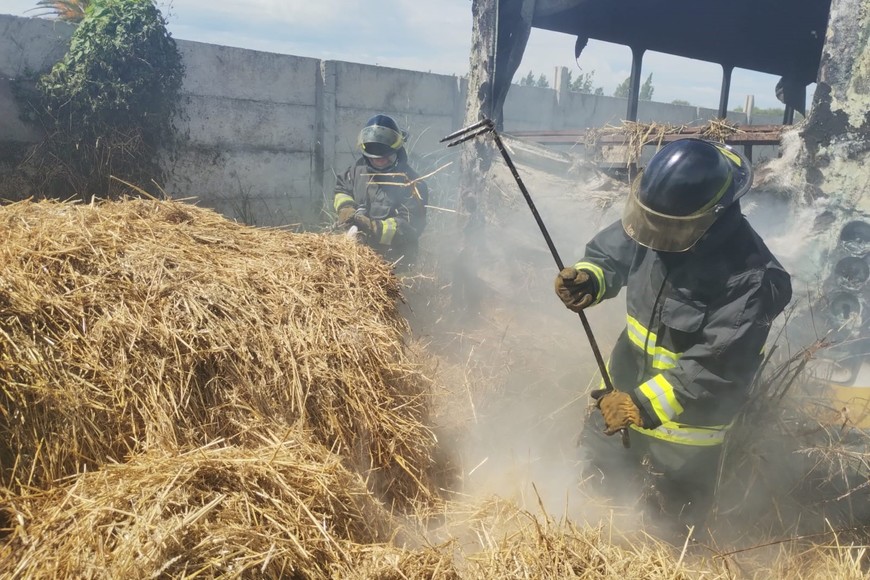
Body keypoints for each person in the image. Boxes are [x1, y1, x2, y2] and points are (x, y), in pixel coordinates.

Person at [554, 138, 792, 531]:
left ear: (711, 216)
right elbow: (611, 254)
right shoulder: (662, 218)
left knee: (671, 531)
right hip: (618, 399)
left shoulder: (753, 279)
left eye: (669, 230)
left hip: (685, 440)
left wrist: (640, 405)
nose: (657, 237)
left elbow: (716, 367)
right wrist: (590, 279)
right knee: (593, 499)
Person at [333, 114, 428, 268]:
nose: (380, 161)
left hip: (395, 264)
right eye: (374, 157)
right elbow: (342, 189)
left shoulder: (412, 184)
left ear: (397, 150)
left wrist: (373, 227)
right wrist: (346, 210)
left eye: (385, 156)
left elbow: (411, 227)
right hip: (355, 257)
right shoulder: (356, 171)